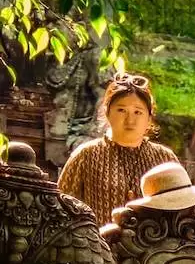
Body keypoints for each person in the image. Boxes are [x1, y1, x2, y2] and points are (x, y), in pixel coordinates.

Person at [57, 74, 180, 225]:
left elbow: (182, 211)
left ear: (149, 118)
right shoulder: (86, 155)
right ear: (107, 113)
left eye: (138, 112)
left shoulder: (164, 159)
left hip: (154, 247)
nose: (130, 120)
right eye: (121, 110)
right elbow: (60, 210)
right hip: (98, 245)